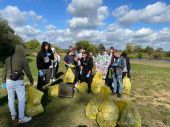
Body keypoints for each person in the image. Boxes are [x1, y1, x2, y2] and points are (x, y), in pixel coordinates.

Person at [2, 45, 34, 123]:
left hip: (8, 81)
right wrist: (31, 80)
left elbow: (4, 71)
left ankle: (13, 115)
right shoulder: (23, 59)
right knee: (21, 99)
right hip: (18, 81)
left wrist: (3, 81)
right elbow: (28, 71)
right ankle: (21, 118)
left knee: (10, 98)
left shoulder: (7, 59)